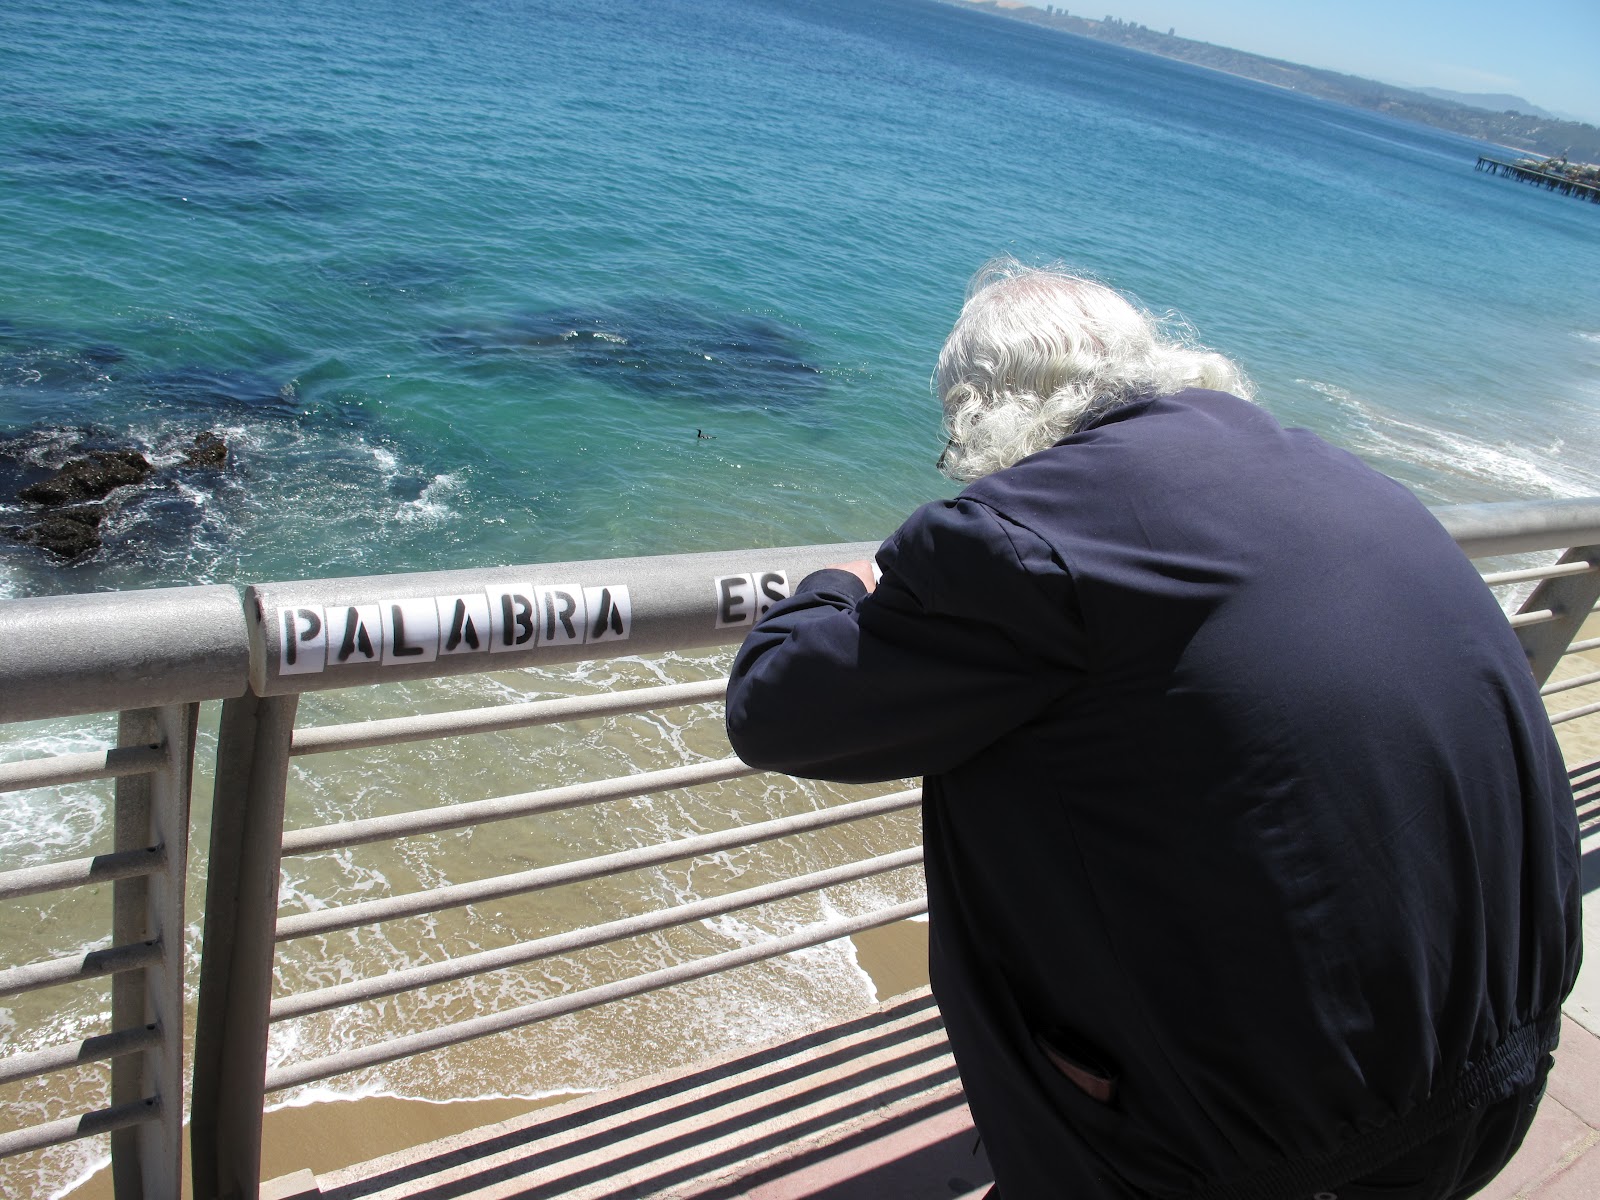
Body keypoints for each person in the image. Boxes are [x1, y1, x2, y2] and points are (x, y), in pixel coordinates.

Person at [724, 260, 1582, 1200]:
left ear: (980, 409)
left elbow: (774, 712)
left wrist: (844, 583)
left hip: (1278, 1153)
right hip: (1499, 1064)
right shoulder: (1342, 474)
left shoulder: (1018, 540)